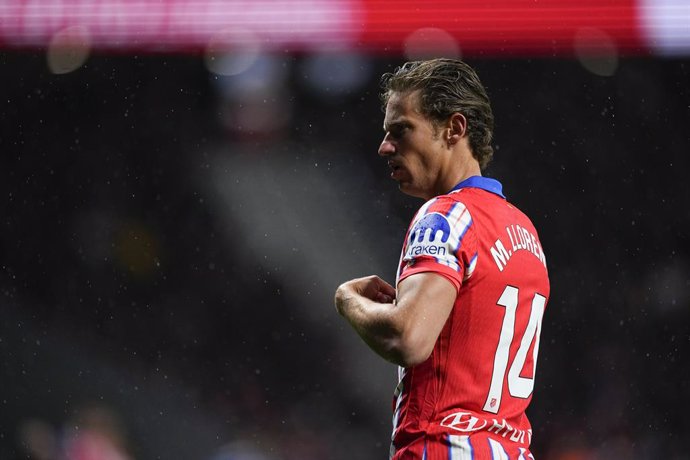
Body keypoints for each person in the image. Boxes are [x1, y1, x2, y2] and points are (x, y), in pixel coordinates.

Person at [334, 58, 550, 459]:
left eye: (401, 130)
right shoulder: (525, 232)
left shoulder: (446, 216)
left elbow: (407, 337)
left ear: (454, 128)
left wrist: (348, 300)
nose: (384, 148)